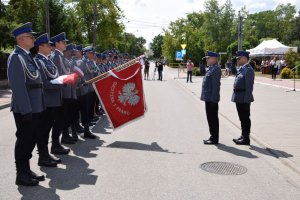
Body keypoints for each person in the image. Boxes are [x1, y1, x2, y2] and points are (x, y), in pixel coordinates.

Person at [7, 22, 45, 186]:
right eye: (31, 36)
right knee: (24, 140)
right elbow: (18, 87)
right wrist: (26, 110)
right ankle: (21, 174)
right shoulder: (16, 57)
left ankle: (27, 170)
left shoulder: (27, 56)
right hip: (26, 108)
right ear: (22, 39)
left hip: (35, 106)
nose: (33, 39)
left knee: (31, 139)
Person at [34, 33, 62, 167]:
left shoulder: (48, 60)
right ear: (41, 46)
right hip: (47, 101)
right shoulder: (39, 61)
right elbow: (44, 83)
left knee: (47, 128)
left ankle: (46, 154)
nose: (51, 47)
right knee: (43, 130)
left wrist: (61, 81)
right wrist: (60, 83)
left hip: (53, 100)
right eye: (48, 45)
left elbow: (54, 77)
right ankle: (43, 156)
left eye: (51, 45)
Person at [50, 32, 76, 152]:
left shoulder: (60, 56)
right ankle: (55, 145)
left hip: (63, 91)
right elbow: (57, 76)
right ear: (57, 43)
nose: (66, 44)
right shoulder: (57, 56)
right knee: (59, 120)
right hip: (60, 92)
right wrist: (68, 77)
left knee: (62, 119)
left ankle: (58, 143)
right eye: (63, 42)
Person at [232, 51, 255, 145]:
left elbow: (249, 87)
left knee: (245, 118)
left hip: (244, 98)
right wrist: (231, 64)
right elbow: (234, 73)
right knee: (242, 118)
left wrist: (246, 100)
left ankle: (246, 138)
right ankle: (243, 135)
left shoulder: (248, 69)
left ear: (245, 58)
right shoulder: (242, 68)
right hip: (239, 97)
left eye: (238, 58)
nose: (237, 60)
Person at [201, 51, 222, 145]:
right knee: (210, 118)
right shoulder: (210, 68)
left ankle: (214, 138)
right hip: (208, 98)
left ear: (214, 59)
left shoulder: (216, 69)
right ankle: (212, 136)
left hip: (212, 99)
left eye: (208, 58)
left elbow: (216, 86)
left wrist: (214, 99)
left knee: (213, 118)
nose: (206, 59)